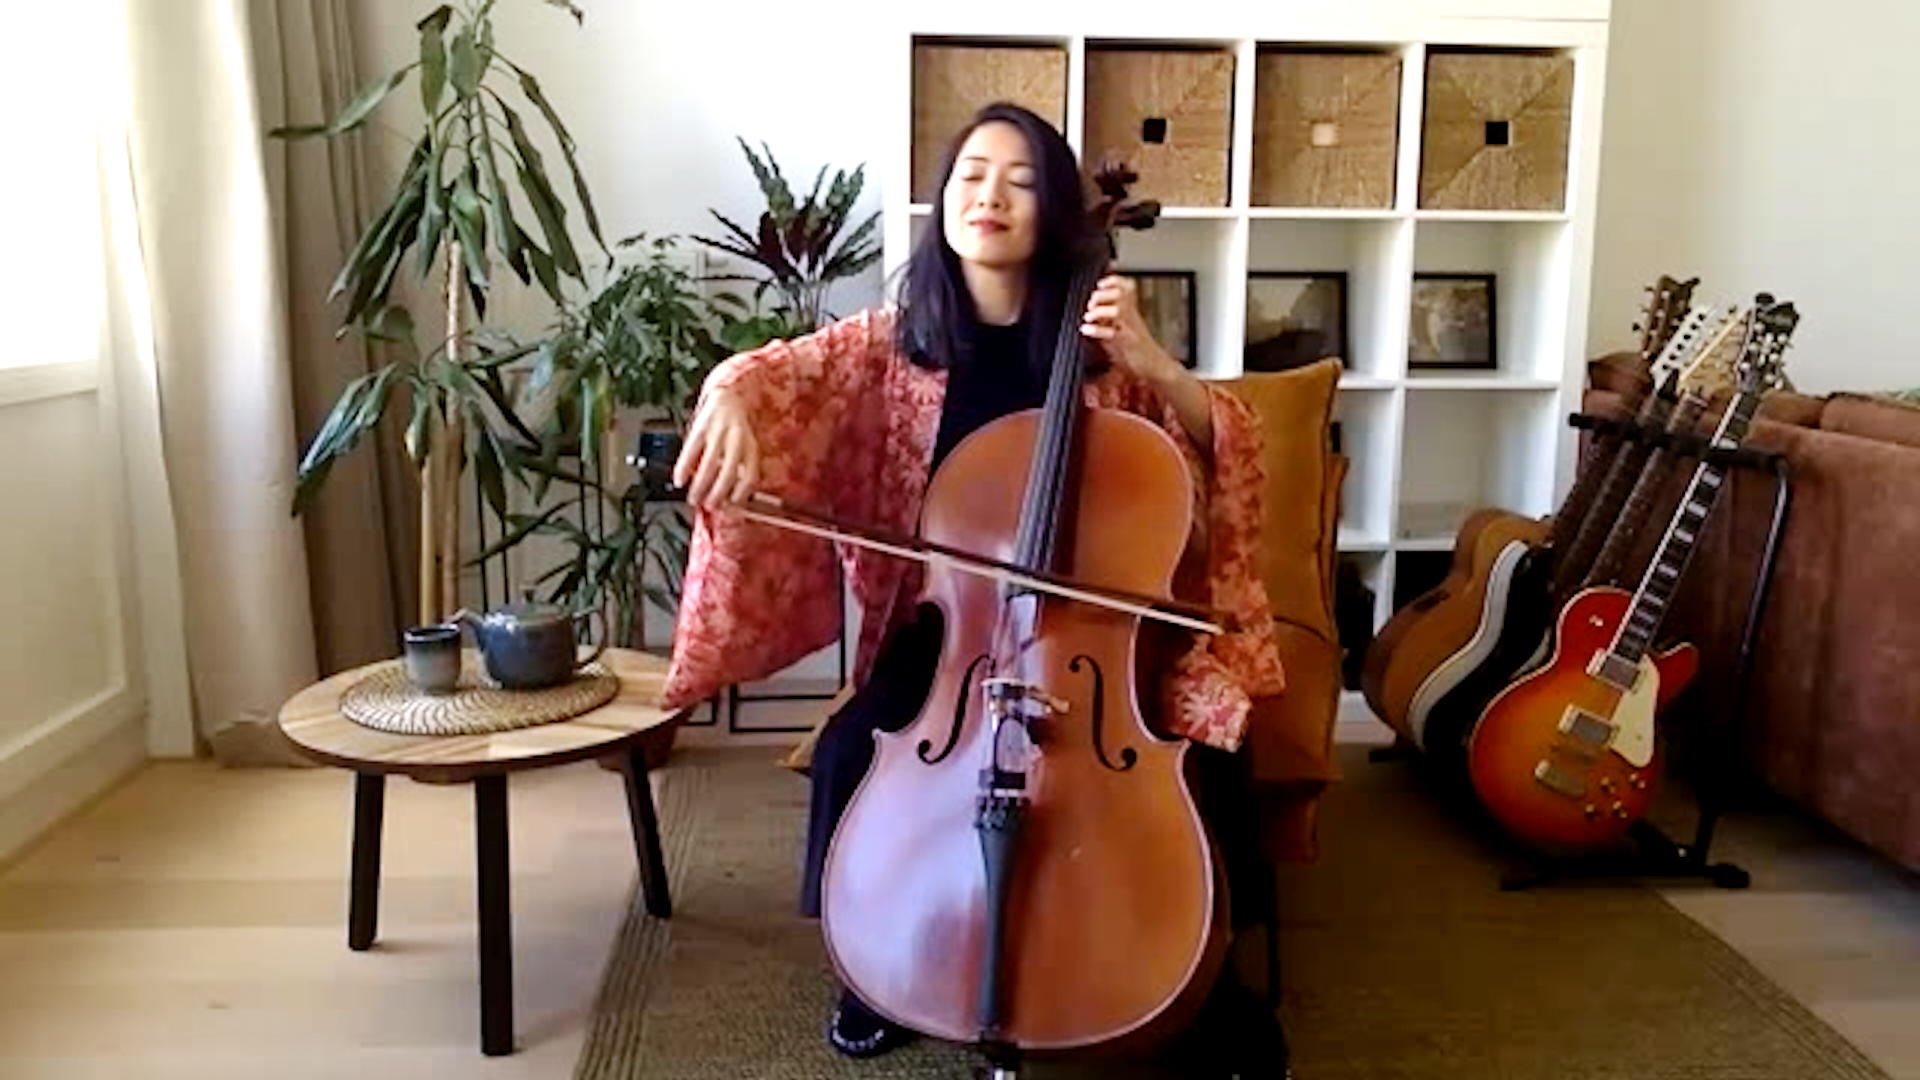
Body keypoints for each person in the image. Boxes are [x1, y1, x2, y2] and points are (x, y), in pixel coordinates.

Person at [660, 102, 1292, 1077]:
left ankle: (1214, 973)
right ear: (944, 201)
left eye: (1020, 180)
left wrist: (1158, 366)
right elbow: (770, 375)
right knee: (850, 747)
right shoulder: (892, 344)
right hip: (956, 630)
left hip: (1102, 630)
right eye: (971, 176)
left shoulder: (1102, 351)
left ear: (1056, 214)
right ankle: (872, 964)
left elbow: (1232, 452)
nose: (990, 196)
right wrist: (726, 398)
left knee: (1215, 750)